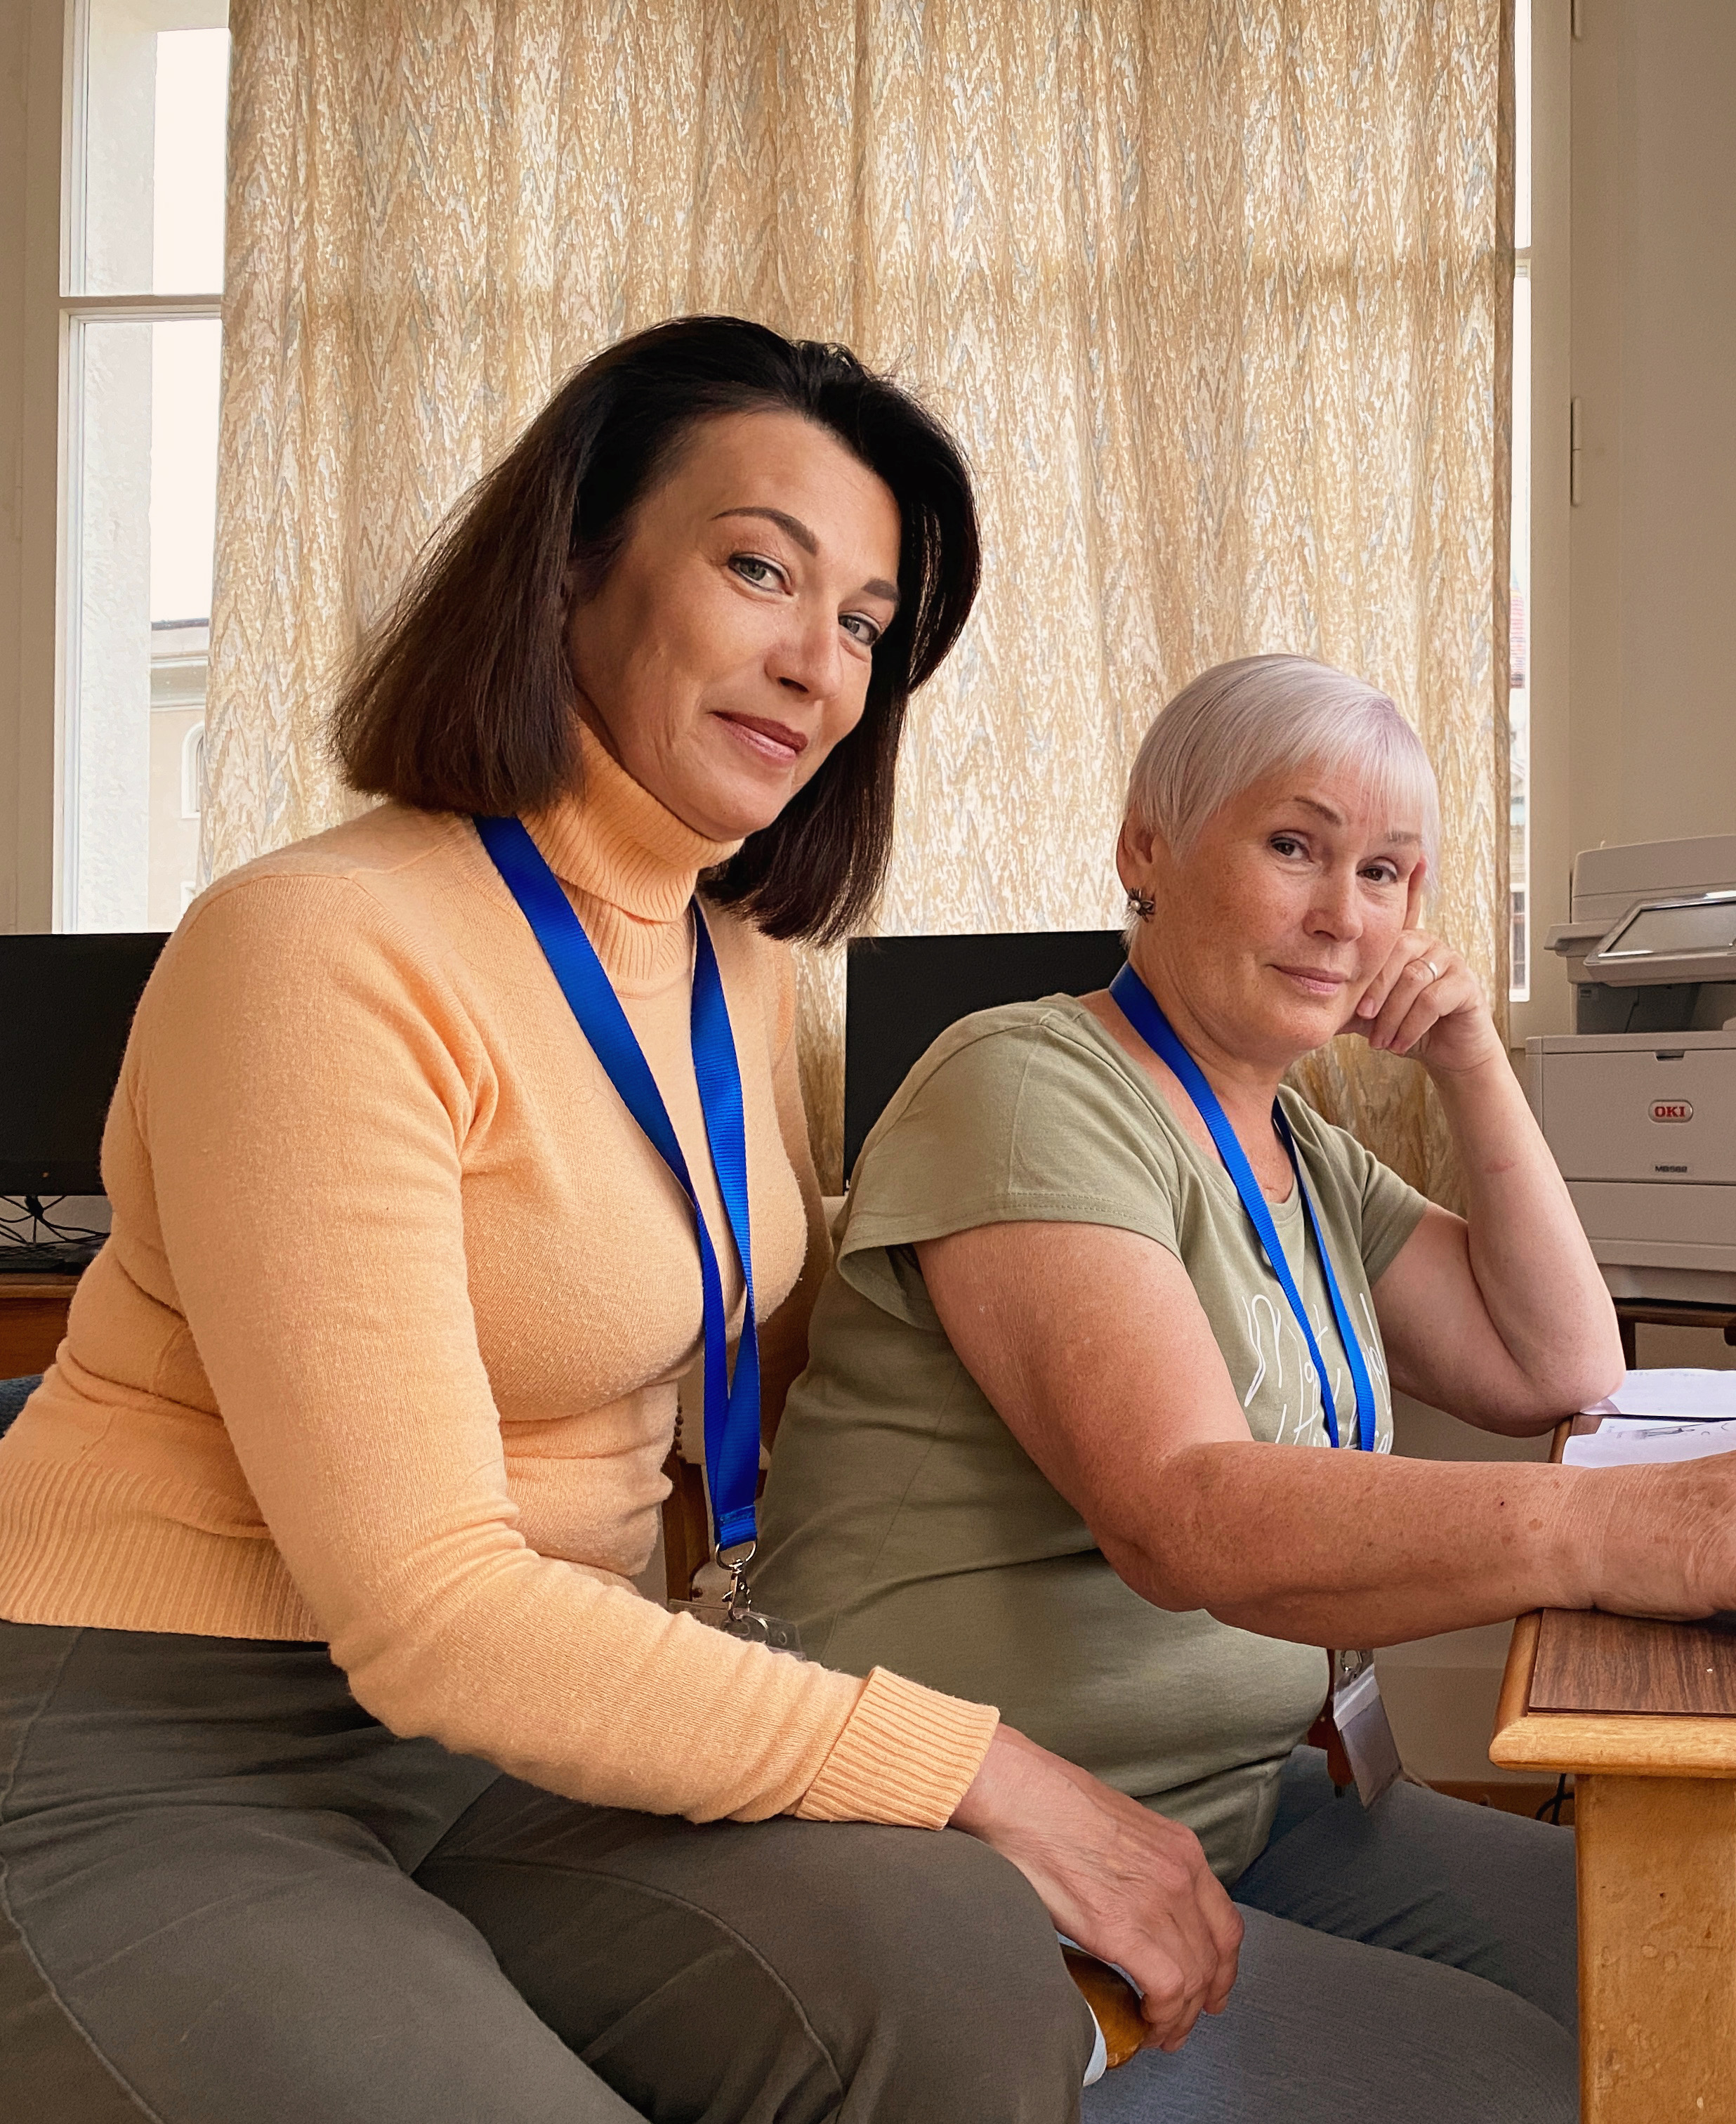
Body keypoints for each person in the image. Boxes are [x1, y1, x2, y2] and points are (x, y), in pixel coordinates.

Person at [0, 317, 1240, 2124]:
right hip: (157, 1733)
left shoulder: (737, 971)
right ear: (573, 561)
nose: (820, 664)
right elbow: (429, 1607)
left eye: (868, 625)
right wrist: (981, 1764)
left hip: (500, 1740)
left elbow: (734, 1360)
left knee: (953, 1973)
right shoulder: (317, 948)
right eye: (761, 568)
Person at [753, 653, 1736, 2123]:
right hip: (991, 1847)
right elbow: (1184, 1518)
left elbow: (1562, 1368)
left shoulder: (1300, 1145)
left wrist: (1473, 1058)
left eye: (1390, 874)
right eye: (1296, 847)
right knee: (1558, 2087)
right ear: (1146, 847)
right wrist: (1624, 1538)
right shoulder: (1023, 1083)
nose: (1348, 914)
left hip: (1253, 1802)